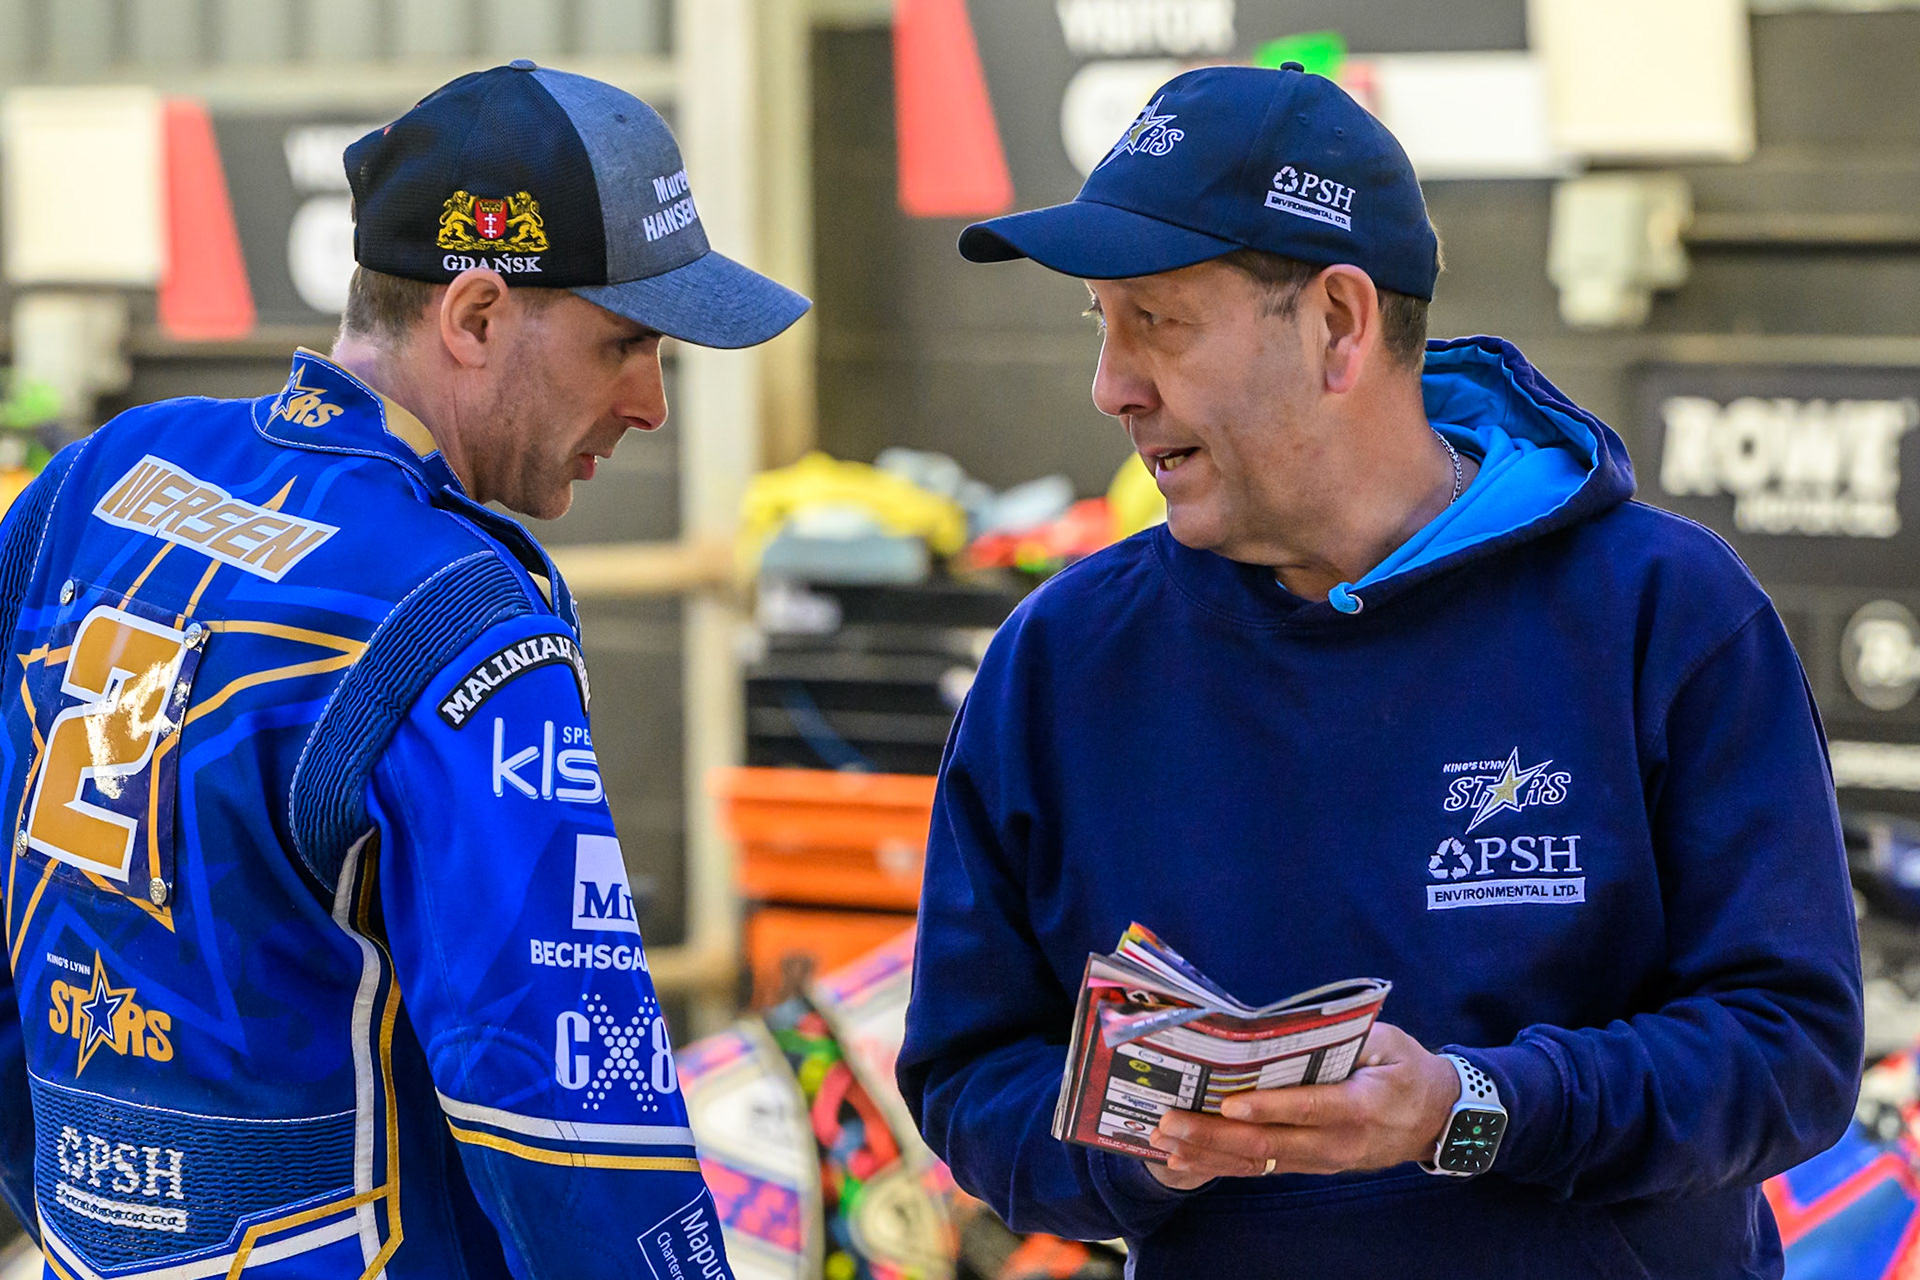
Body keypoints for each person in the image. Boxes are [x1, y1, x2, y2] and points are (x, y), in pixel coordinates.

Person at [897, 64, 1863, 1277]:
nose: (1113, 386)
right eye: (1101, 323)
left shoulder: (1665, 612)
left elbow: (1793, 1049)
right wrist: (1149, 1135)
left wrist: (1470, 1106)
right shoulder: (1061, 660)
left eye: (1159, 321)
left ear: (1341, 326)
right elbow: (968, 1072)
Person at [0, 62, 805, 1279]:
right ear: (475, 317)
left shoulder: (99, 478)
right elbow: (568, 1114)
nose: (651, 402)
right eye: (625, 343)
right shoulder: (461, 610)